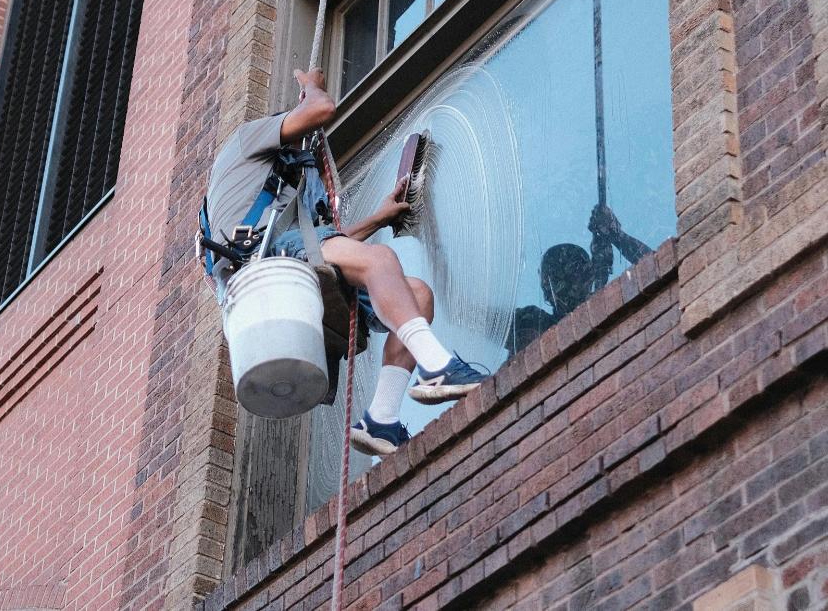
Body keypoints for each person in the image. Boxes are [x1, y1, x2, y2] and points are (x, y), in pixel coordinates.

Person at [205, 68, 488, 456]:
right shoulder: (246, 141)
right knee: (381, 260)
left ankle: (381, 420)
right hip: (267, 262)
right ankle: (438, 365)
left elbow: (323, 249)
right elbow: (322, 109)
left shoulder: (284, 190)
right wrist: (311, 87)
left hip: (286, 264)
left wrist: (377, 219)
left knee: (417, 295)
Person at [504, 203, 650, 356]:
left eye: (572, 273)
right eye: (551, 280)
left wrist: (616, 235)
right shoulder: (534, 320)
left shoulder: (607, 306)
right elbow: (485, 320)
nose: (553, 287)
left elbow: (653, 268)